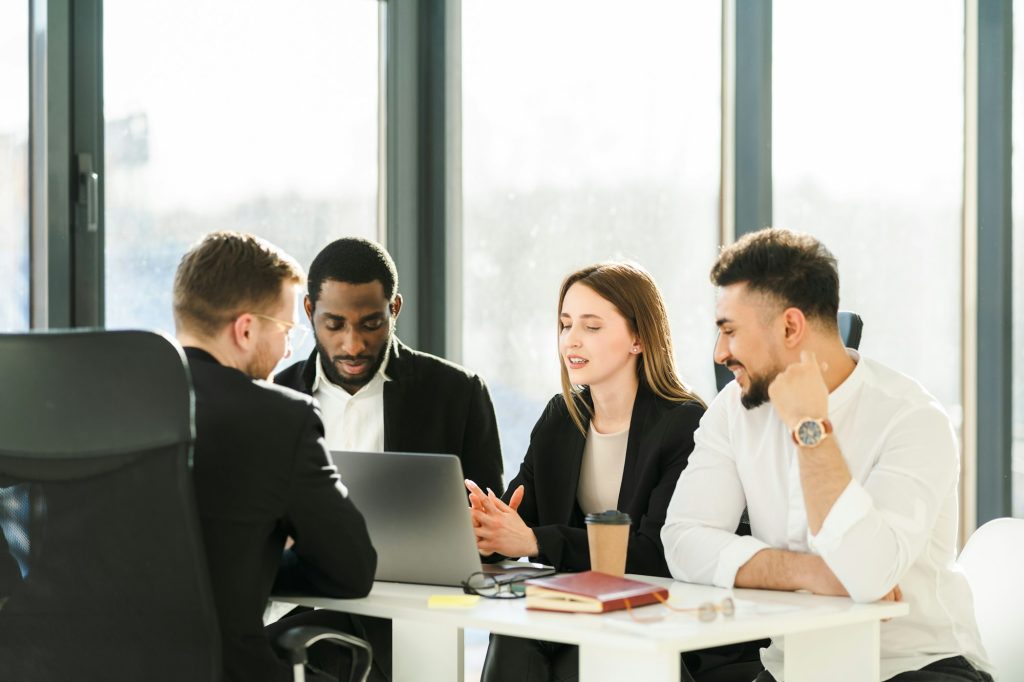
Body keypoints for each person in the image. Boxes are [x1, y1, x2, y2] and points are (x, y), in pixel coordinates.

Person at [662, 227, 992, 682]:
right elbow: (682, 539)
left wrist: (809, 429)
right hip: (793, 668)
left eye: (730, 331)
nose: (720, 353)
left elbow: (870, 575)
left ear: (791, 326)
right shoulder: (733, 410)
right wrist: (814, 573)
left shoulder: (913, 418)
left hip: (913, 667)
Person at [467, 262, 764, 682]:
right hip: (583, 617)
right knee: (514, 635)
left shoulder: (683, 422)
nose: (571, 340)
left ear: (639, 338)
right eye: (565, 324)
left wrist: (533, 540)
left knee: (583, 654)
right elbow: (519, 515)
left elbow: (658, 553)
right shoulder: (561, 417)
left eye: (592, 327)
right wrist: (486, 528)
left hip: (664, 627)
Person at [173, 231, 377, 682]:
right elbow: (352, 570)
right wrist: (264, 548)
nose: (288, 349)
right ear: (245, 330)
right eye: (286, 330)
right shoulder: (279, 418)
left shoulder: (106, 404)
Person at [275, 236, 503, 494]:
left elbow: (488, 519)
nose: (353, 346)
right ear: (309, 310)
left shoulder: (459, 394)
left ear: (394, 309)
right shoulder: (273, 396)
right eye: (334, 325)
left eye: (371, 324)